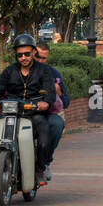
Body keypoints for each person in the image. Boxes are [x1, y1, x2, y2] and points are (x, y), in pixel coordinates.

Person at [0, 33, 55, 186]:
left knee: (44, 131)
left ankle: (39, 169)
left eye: (27, 54)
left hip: (33, 112)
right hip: (11, 111)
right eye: (20, 55)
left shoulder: (44, 70)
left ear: (34, 52)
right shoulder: (9, 71)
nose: (23, 58)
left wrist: (45, 102)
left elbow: (50, 91)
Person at [35, 41, 68, 180]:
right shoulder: (17, 71)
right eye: (38, 56)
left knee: (57, 124)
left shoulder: (54, 74)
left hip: (47, 113)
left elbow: (66, 102)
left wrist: (58, 92)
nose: (41, 60)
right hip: (22, 113)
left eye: (44, 58)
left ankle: (45, 161)